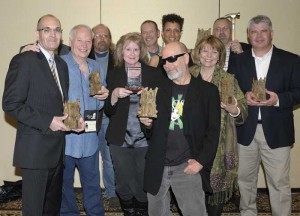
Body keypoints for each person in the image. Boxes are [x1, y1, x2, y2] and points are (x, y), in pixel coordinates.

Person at [2, 14, 83, 216]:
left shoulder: (61, 65)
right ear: (37, 33)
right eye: (47, 29)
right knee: (34, 211)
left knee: (51, 210)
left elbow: (59, 104)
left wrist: (73, 120)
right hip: (35, 152)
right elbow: (10, 104)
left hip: (57, 152)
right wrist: (48, 121)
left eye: (57, 30)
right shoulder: (24, 60)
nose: (53, 34)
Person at [228, 15, 300, 216]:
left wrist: (277, 99)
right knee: (244, 181)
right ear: (248, 36)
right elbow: (230, 91)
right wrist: (243, 97)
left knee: (279, 183)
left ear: (271, 33)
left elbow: (298, 91)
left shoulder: (291, 60)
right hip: (244, 131)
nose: (259, 36)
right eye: (254, 31)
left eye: (263, 31)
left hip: (277, 131)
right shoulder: (237, 61)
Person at [140, 41, 221, 216]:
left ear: (186, 57)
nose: (167, 65)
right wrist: (147, 124)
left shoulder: (208, 91)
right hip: (158, 164)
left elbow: (213, 132)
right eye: (164, 61)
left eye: (171, 59)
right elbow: (151, 129)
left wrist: (200, 162)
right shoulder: (158, 89)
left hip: (188, 165)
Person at [104, 32, 163, 215]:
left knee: (142, 181)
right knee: (122, 181)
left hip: (144, 138)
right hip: (119, 138)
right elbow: (108, 110)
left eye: (136, 49)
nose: (131, 53)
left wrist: (150, 98)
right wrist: (113, 95)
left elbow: (162, 108)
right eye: (128, 49)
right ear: (121, 52)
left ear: (141, 51)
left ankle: (142, 211)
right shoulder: (114, 74)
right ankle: (129, 211)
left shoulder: (153, 74)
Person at [190, 35, 248, 216]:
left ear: (220, 55)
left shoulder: (227, 79)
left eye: (214, 51)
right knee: (191, 197)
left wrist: (233, 109)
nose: (208, 55)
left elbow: (243, 111)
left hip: (219, 147)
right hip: (190, 144)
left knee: (214, 201)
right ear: (198, 53)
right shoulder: (187, 74)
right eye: (205, 50)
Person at [60, 24, 109, 216]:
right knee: (64, 184)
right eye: (79, 40)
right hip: (65, 139)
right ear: (70, 42)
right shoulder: (59, 64)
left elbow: (98, 99)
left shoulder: (95, 66)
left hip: (89, 136)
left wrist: (104, 97)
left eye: (88, 40)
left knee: (92, 184)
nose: (84, 44)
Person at [89, 23, 120, 208]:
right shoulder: (83, 55)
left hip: (109, 115)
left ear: (110, 39)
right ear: (92, 39)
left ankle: (112, 193)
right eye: (98, 35)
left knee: (109, 157)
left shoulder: (118, 59)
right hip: (89, 114)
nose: (101, 38)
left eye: (105, 35)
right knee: (89, 157)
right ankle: (92, 193)